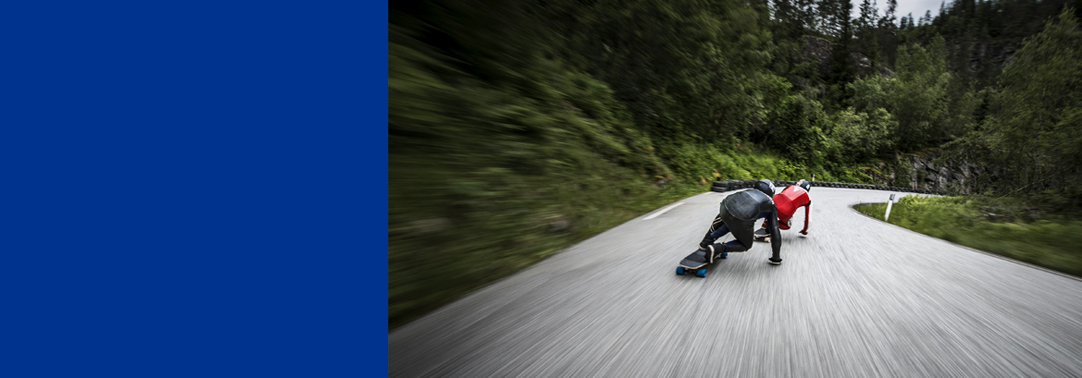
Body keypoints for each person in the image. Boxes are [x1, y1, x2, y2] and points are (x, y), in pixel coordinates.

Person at [686, 179, 783, 267]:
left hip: (726, 205)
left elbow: (727, 218)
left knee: (730, 219)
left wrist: (706, 241)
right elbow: (775, 232)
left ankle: (705, 243)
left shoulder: (748, 190)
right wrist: (776, 258)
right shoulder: (771, 205)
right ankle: (718, 248)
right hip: (743, 218)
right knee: (746, 245)